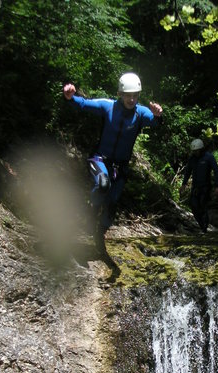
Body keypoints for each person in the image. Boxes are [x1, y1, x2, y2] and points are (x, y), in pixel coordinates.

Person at [63, 73, 163, 258]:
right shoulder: (108, 106)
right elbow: (84, 104)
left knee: (112, 204)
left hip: (121, 167)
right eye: (127, 95)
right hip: (100, 159)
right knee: (102, 184)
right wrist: (70, 97)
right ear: (119, 93)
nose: (131, 99)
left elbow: (154, 121)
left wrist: (157, 115)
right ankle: (90, 213)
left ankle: (99, 234)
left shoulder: (140, 113)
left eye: (135, 95)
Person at [180, 139, 218, 233]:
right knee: (194, 206)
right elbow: (188, 172)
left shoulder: (209, 157)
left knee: (203, 206)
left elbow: (217, 171)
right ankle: (202, 226)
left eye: (196, 151)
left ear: (201, 149)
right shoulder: (192, 159)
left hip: (206, 187)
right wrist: (184, 184)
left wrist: (217, 186)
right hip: (195, 187)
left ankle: (204, 228)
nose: (195, 153)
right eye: (193, 151)